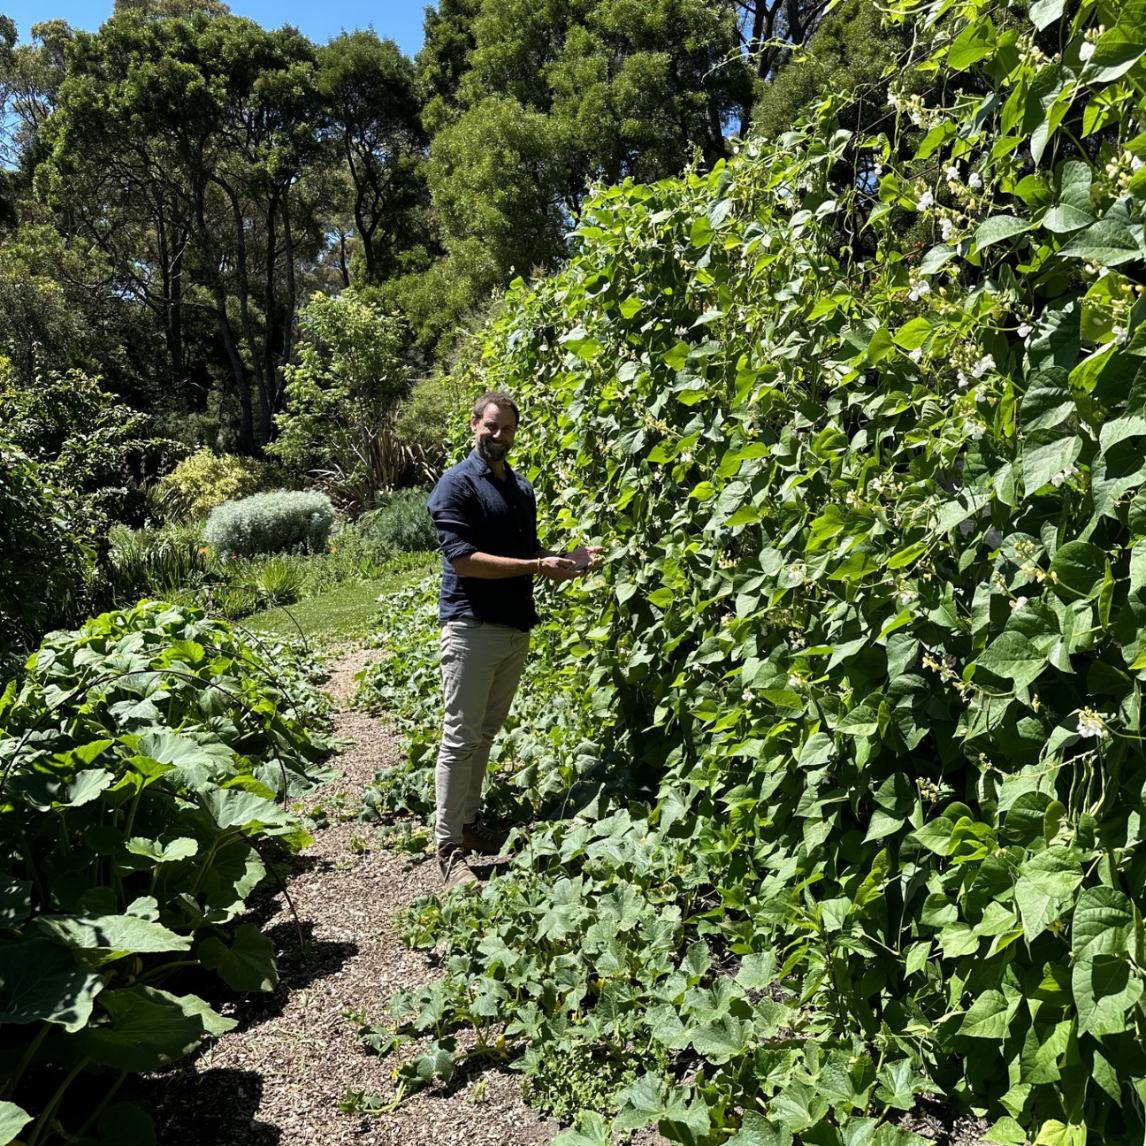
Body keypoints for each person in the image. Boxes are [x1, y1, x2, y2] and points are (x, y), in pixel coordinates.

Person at [426, 390, 602, 887]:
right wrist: (534, 566)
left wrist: (566, 559)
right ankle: (446, 850)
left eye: (507, 428)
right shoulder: (455, 486)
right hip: (471, 626)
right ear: (474, 424)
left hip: (512, 627)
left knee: (483, 735)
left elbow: (528, 554)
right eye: (491, 426)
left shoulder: (520, 489)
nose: (498, 436)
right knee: (460, 738)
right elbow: (463, 559)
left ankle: (468, 826)